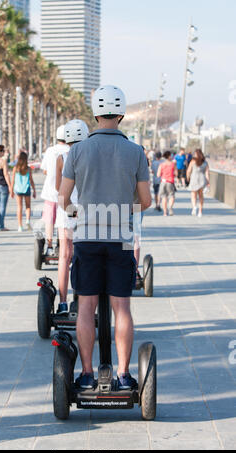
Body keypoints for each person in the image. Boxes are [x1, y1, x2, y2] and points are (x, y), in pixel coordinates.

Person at [59, 85, 151, 390]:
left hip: (86, 237)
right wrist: (125, 208)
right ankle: (123, 376)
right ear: (121, 114)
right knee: (121, 307)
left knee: (85, 306)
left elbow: (63, 199)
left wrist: (79, 213)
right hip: (122, 237)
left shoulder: (77, 150)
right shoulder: (135, 151)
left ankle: (86, 374)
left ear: (96, 114)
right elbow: (146, 201)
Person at [55, 119, 89, 315]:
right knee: (80, 256)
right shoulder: (90, 156)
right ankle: (79, 298)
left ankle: (62, 302)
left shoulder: (61, 158)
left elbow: (58, 189)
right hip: (85, 210)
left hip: (65, 208)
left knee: (64, 255)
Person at [40, 125, 69, 256]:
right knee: (63, 223)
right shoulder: (71, 150)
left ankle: (50, 246)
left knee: (49, 221)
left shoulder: (50, 151)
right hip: (67, 194)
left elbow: (45, 170)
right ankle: (62, 246)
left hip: (50, 192)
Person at [10, 151, 36, 231]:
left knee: (19, 206)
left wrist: (11, 190)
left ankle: (20, 226)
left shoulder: (15, 168)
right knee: (28, 206)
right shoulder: (28, 169)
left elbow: (13, 180)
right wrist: (34, 190)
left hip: (18, 189)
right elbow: (31, 180)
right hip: (26, 188)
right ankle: (27, 220)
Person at [187, 149, 210, 218]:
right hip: (202, 180)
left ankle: (194, 207)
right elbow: (207, 174)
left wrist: (188, 178)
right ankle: (200, 212)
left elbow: (188, 171)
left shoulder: (192, 162)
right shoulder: (205, 163)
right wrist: (208, 182)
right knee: (201, 196)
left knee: (193, 195)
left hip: (194, 179)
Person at [157, 150, 178, 216]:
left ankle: (165, 212)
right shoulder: (172, 164)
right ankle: (170, 208)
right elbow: (176, 173)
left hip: (163, 182)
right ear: (169, 156)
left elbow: (158, 174)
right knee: (171, 196)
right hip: (170, 182)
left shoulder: (162, 164)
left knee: (164, 197)